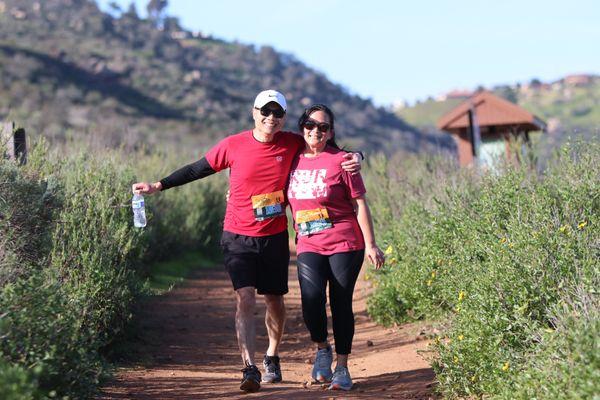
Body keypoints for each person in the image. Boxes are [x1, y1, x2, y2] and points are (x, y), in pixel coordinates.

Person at [131, 90, 360, 393]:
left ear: (284, 118)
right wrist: (159, 185)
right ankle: (249, 366)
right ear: (253, 112)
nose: (271, 118)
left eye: (278, 113)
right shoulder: (233, 144)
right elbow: (198, 168)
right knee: (245, 297)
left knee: (275, 300)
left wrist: (357, 156)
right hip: (238, 235)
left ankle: (272, 356)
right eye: (265, 111)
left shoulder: (292, 142)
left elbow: (325, 146)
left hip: (274, 236)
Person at [287, 104, 385, 391]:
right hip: (308, 243)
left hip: (345, 241)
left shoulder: (343, 161)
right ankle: (322, 350)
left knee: (341, 303)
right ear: (301, 126)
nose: (315, 131)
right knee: (311, 299)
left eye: (323, 127)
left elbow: (359, 204)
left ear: (331, 131)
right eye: (310, 125)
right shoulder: (293, 159)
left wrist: (371, 245)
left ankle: (342, 367)